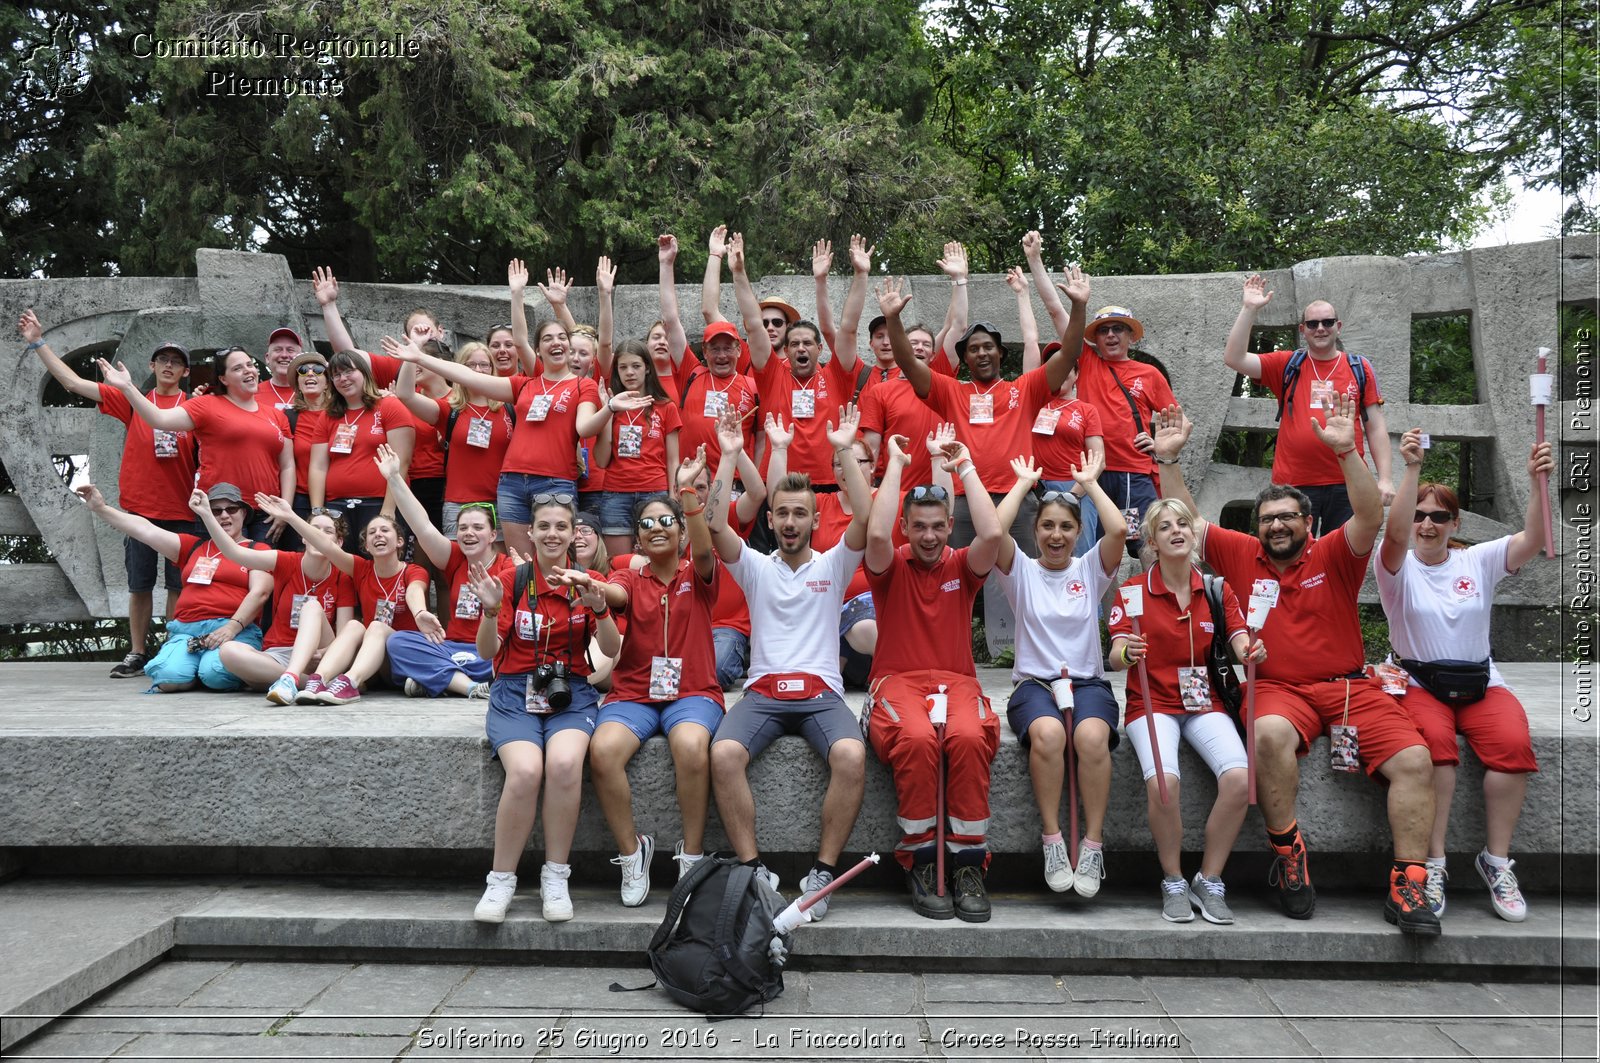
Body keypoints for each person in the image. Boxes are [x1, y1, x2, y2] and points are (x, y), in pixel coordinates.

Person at [1152, 398, 1440, 935]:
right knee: (1264, 735)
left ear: (1309, 521)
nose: (1277, 526)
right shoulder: (1241, 555)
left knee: (1416, 761)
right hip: (1278, 688)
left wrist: (1346, 450)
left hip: (1351, 688)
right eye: (1267, 519)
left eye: (1287, 517)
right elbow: (1187, 519)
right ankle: (1288, 853)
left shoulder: (1335, 552)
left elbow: (1371, 515)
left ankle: (1409, 882)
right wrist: (1169, 460)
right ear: (1256, 527)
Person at [701, 405, 873, 919]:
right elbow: (712, 523)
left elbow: (864, 517)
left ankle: (821, 872)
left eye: (801, 513)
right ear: (770, 520)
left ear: (816, 520)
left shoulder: (835, 563)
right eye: (783, 514)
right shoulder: (755, 567)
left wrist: (843, 448)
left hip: (822, 693)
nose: (791, 522)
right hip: (764, 692)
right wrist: (730, 456)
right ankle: (753, 869)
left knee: (852, 756)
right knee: (724, 754)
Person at [1376, 430, 1551, 922]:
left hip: (1480, 683)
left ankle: (1496, 861)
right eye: (1419, 516)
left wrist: (1537, 481)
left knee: (1513, 748)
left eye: (1438, 516)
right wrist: (1410, 469)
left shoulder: (1478, 559)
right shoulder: (1396, 568)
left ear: (1455, 522)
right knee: (1437, 753)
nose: (1426, 524)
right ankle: (1433, 863)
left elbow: (1534, 540)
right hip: (1419, 683)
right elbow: (1390, 535)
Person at [863, 430, 1004, 920]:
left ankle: (967, 865)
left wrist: (965, 466)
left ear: (949, 527)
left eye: (938, 527)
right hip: (897, 683)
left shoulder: (962, 565)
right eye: (918, 526)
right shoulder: (890, 564)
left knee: (968, 736)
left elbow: (992, 535)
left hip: (957, 682)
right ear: (907, 525)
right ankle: (922, 860)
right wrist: (898, 463)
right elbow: (876, 535)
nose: (928, 536)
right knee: (919, 738)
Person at [1108, 498, 1264, 924]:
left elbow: (1238, 639)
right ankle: (1173, 879)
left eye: (1183, 524)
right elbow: (1116, 649)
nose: (1176, 531)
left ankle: (1210, 879)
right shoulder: (1133, 590)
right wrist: (1126, 652)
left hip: (1204, 702)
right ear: (1153, 542)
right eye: (1165, 527)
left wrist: (1250, 649)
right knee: (1165, 783)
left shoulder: (1216, 588)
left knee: (1238, 779)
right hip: (1151, 702)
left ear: (1193, 536)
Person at [468, 494, 621, 924]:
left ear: (574, 534)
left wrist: (599, 606)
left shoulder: (588, 578)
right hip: (515, 692)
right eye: (544, 526)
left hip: (571, 692)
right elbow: (486, 653)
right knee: (526, 771)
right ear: (530, 533)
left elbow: (611, 650)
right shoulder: (513, 580)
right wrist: (490, 609)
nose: (553, 534)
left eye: (561, 526)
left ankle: (556, 876)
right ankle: (500, 880)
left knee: (566, 764)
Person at [21, 311, 198, 678]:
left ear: (185, 371)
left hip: (183, 511)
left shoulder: (196, 407)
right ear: (152, 365)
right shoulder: (133, 399)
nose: (168, 365)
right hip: (138, 511)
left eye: (176, 362)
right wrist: (39, 342)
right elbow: (73, 383)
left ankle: (172, 647)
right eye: (163, 359)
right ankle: (137, 652)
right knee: (140, 584)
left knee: (179, 585)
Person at [380, 327, 652, 562]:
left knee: (554, 560)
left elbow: (583, 428)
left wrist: (610, 408)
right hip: (510, 486)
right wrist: (418, 355)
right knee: (519, 566)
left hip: (554, 482)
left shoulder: (583, 386)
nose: (555, 342)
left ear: (569, 347)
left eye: (561, 337)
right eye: (547, 338)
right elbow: (466, 376)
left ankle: (554, 620)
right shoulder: (524, 386)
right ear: (537, 350)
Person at [991, 452, 1127, 899]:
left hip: (1087, 683)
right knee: (1048, 735)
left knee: (1090, 738)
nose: (1056, 534)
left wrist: (1089, 484)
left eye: (1066, 527)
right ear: (1035, 531)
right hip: (1035, 687)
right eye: (1047, 526)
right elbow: (993, 530)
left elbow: (1120, 530)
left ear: (1078, 532)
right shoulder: (1022, 572)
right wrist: (1025, 482)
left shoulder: (1090, 569)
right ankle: (1052, 840)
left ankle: (1092, 844)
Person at [590, 476, 724, 906]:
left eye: (667, 520)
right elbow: (615, 595)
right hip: (634, 694)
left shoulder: (697, 571)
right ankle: (633, 854)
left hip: (692, 692)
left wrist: (687, 496)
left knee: (689, 745)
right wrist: (596, 591)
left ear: (682, 530)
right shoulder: (630, 578)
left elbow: (704, 550)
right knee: (603, 751)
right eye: (647, 524)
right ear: (638, 539)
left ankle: (692, 856)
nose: (658, 528)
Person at [885, 267, 1087, 550]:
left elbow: (1069, 353)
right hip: (965, 499)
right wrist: (892, 319)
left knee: (1020, 582)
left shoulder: (1025, 388)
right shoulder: (951, 390)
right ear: (964, 357)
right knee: (965, 583)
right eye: (973, 348)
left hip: (1018, 498)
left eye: (988, 346)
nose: (981, 353)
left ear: (1000, 352)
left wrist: (1079, 306)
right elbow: (908, 362)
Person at [1025, 239, 1174, 558]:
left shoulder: (1149, 374)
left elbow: (1179, 422)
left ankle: (1155, 605)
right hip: (1090, 476)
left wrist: (1159, 440)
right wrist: (1035, 260)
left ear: (1131, 335)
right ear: (1095, 336)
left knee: (1144, 545)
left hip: (1132, 474)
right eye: (1104, 329)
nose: (1110, 335)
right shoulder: (1087, 361)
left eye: (1118, 329)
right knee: (1086, 547)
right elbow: (1055, 309)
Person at [1222, 276, 1394, 531]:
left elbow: (1376, 427)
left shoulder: (1359, 367)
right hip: (1293, 484)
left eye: (1327, 322)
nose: (1320, 328)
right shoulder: (1287, 364)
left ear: (1338, 326)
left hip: (1349, 481)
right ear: (1303, 329)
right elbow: (1234, 358)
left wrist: (1386, 479)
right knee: (1292, 559)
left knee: (1342, 559)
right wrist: (1249, 309)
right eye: (1312, 323)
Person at [76, 481, 272, 692]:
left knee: (217, 676)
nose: (224, 515)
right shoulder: (193, 546)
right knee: (168, 679)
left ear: (243, 513)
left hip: (231, 630)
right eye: (215, 511)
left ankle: (202, 669)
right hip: (188, 631)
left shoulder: (257, 549)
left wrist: (231, 628)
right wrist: (101, 508)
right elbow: (145, 530)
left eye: (231, 509)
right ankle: (194, 669)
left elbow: (260, 592)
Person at [98, 347, 294, 542]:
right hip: (218, 510)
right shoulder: (206, 404)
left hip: (265, 512)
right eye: (237, 368)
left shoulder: (276, 416)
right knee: (216, 572)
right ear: (223, 379)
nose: (248, 370)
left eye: (250, 365)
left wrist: (285, 508)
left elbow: (287, 465)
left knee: (261, 572)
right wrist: (128, 387)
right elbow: (159, 419)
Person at [188, 492, 359, 704]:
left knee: (312, 607)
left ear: (339, 542)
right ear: (304, 536)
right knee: (229, 651)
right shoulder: (287, 561)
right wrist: (206, 514)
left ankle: (289, 679)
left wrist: (324, 652)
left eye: (328, 531)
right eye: (314, 530)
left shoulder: (342, 576)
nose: (320, 536)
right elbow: (235, 553)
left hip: (319, 656)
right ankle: (304, 682)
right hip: (278, 655)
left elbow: (342, 635)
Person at [255, 495, 427, 705]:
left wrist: (420, 612)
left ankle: (349, 683)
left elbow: (415, 591)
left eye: (384, 530)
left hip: (402, 658)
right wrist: (291, 517)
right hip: (370, 663)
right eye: (372, 532)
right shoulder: (361, 569)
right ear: (367, 547)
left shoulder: (414, 571)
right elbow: (327, 547)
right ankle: (318, 681)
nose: (378, 535)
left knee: (377, 627)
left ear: (400, 541)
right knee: (356, 625)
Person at [379, 444, 509, 700]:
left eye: (477, 527)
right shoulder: (454, 558)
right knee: (398, 643)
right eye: (463, 528)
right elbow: (422, 526)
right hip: (449, 648)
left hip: (487, 653)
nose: (468, 533)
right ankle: (470, 687)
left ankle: (441, 680)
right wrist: (394, 478)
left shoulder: (508, 567)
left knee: (506, 660)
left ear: (493, 534)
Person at [729, 233, 861, 484]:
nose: (801, 348)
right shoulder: (772, 376)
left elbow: (849, 327)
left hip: (831, 482)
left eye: (807, 343)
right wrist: (738, 272)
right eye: (795, 344)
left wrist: (860, 274)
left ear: (820, 349)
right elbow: (754, 325)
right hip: (780, 483)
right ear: (786, 350)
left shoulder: (836, 376)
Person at [392, 341, 514, 539]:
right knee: (456, 568)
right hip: (458, 503)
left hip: (500, 503)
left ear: (492, 369)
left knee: (499, 566)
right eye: (471, 365)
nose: (478, 370)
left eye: (484, 365)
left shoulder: (509, 408)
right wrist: (411, 356)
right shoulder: (449, 409)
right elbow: (405, 394)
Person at [307, 351, 416, 554]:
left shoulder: (389, 406)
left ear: (364, 373)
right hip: (337, 507)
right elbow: (318, 466)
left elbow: (401, 461)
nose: (343, 379)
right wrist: (317, 511)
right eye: (337, 375)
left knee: (381, 565)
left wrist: (388, 510)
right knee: (341, 570)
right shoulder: (328, 415)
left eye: (349, 371)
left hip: (379, 504)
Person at [596, 339, 682, 556]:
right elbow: (601, 460)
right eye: (623, 367)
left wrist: (672, 495)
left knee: (656, 560)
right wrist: (608, 410)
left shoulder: (666, 406)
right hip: (616, 494)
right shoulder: (612, 406)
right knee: (620, 565)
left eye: (636, 366)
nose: (630, 373)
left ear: (647, 369)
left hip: (654, 492)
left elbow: (673, 459)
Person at [259, 327, 307, 412]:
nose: (284, 355)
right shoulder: (252, 394)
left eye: (290, 350)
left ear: (301, 358)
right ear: (267, 358)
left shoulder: (312, 392)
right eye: (278, 350)